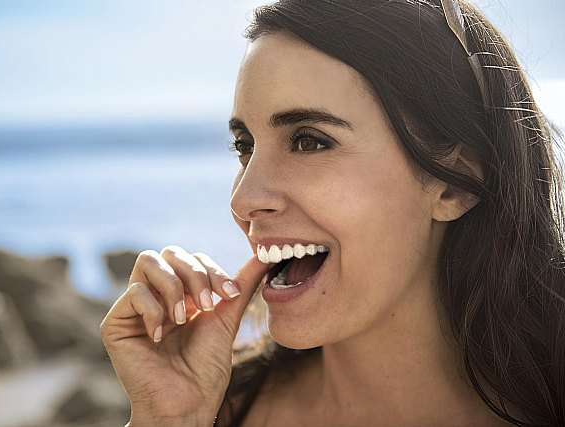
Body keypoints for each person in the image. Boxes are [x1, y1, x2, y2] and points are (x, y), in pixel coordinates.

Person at [100, 0, 565, 425]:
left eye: (308, 141)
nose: (243, 200)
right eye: (245, 146)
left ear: (453, 184)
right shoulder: (214, 409)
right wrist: (169, 419)